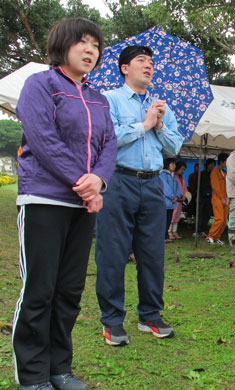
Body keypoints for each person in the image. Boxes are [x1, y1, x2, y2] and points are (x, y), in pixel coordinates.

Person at [13, 18, 117, 390]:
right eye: (82, 43)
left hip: (81, 207)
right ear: (63, 45)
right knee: (40, 289)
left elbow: (109, 146)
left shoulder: (98, 97)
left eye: (96, 45)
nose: (91, 50)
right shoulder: (40, 85)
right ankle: (33, 375)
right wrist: (86, 185)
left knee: (69, 291)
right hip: (44, 198)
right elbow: (43, 139)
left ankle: (59, 368)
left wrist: (99, 180)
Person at [95, 45, 183, 346]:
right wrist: (143, 125)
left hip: (154, 183)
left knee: (152, 254)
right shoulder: (110, 99)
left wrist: (158, 125)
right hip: (118, 181)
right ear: (124, 68)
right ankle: (112, 320)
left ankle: (150, 315)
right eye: (141, 61)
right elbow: (105, 139)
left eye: (151, 62)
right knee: (113, 253)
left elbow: (174, 148)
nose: (148, 66)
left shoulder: (162, 107)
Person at [206, 153, 229, 245]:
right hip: (218, 198)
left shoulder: (225, 173)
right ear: (222, 162)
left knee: (224, 220)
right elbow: (215, 187)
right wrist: (222, 197)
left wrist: (227, 197)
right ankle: (210, 236)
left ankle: (216, 237)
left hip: (226, 198)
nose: (228, 163)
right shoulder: (215, 172)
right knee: (219, 218)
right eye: (226, 161)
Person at [159, 158, 181, 240]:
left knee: (169, 219)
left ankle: (165, 236)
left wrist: (177, 196)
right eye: (172, 164)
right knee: (163, 220)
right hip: (165, 201)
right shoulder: (162, 174)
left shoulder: (173, 175)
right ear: (167, 164)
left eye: (174, 164)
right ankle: (162, 236)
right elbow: (165, 187)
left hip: (172, 202)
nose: (174, 166)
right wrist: (173, 196)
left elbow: (178, 187)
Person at [195, 159, 215, 237]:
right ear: (207, 165)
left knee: (207, 214)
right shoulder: (202, 174)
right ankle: (197, 230)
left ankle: (203, 229)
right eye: (211, 164)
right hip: (202, 196)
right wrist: (197, 196)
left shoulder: (214, 174)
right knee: (200, 213)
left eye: (213, 165)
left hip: (210, 196)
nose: (212, 166)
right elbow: (198, 186)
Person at [169, 161, 187, 239]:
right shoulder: (173, 176)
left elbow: (185, 188)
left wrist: (185, 196)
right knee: (172, 216)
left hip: (180, 200)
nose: (183, 171)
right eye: (182, 169)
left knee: (177, 216)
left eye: (184, 170)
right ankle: (169, 232)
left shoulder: (182, 177)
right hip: (174, 200)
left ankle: (175, 231)